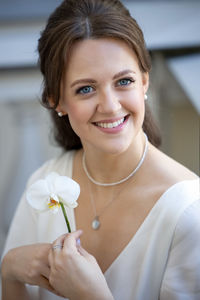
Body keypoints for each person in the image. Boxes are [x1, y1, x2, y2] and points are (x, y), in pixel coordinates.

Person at [1, 0, 199, 299]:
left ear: (144, 81)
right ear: (57, 101)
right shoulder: (45, 183)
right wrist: (9, 270)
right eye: (85, 88)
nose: (109, 106)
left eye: (124, 81)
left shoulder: (189, 213)